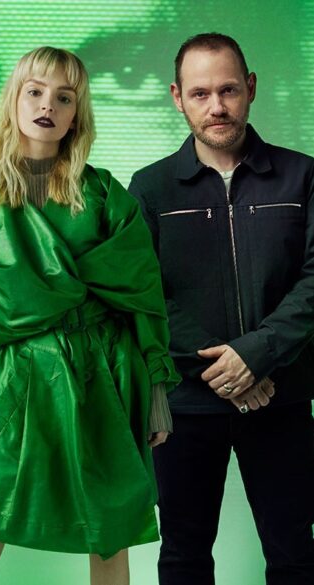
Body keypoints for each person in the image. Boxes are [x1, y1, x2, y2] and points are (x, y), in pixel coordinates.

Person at [0, 46, 180, 585]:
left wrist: (158, 390)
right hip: (18, 375)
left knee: (110, 537)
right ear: (14, 100)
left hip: (105, 374)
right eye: (35, 91)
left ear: (76, 116)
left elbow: (142, 297)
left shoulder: (103, 194)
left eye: (64, 97)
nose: (48, 105)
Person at [129, 33, 314, 585]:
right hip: (185, 405)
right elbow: (142, 294)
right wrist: (225, 365)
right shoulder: (150, 188)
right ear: (177, 97)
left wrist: (256, 354)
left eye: (228, 90)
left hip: (280, 395)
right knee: (183, 558)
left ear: (250, 87)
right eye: (201, 93)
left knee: (296, 556)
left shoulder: (303, 177)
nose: (217, 106)